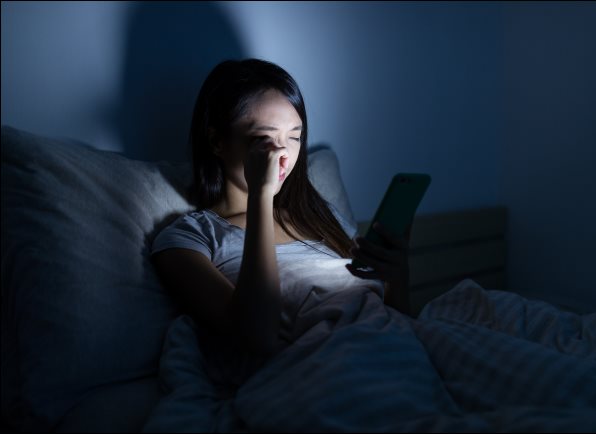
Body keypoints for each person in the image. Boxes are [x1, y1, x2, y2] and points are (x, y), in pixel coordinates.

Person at [150, 58, 411, 358]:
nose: (284, 155)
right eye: (264, 139)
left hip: (388, 344)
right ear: (217, 141)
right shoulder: (187, 238)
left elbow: (399, 316)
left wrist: (397, 276)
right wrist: (262, 194)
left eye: (295, 137)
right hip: (322, 363)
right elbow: (255, 337)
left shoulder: (319, 215)